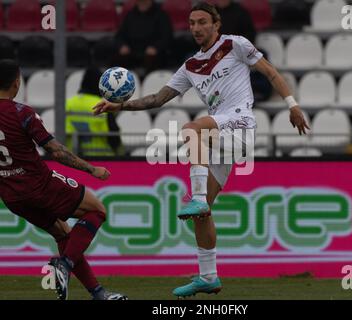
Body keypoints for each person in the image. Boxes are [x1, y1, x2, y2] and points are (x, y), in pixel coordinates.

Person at [93, 2, 309, 298]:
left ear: (216, 24)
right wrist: (120, 105)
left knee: (191, 129)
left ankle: (197, 199)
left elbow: (271, 73)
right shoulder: (190, 66)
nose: (196, 28)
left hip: (241, 122)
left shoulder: (236, 45)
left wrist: (292, 106)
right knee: (201, 215)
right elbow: (157, 98)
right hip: (222, 137)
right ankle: (208, 277)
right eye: (192, 23)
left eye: (202, 22)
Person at [0, 59, 127, 301]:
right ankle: (65, 264)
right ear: (17, 82)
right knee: (97, 210)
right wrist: (92, 170)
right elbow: (56, 151)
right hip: (40, 184)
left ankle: (98, 294)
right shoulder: (21, 112)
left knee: (64, 235)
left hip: (11, 195)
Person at [66, 67, 125, 157]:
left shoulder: (67, 104)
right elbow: (115, 138)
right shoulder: (103, 105)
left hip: (73, 159)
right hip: (102, 160)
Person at [115, 0, 173, 73]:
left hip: (153, 52)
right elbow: (119, 36)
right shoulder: (130, 15)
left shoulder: (161, 15)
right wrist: (122, 45)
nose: (142, 3)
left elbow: (167, 36)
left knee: (154, 58)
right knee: (117, 57)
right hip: (132, 51)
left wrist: (156, 47)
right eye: (140, 1)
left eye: (144, 1)